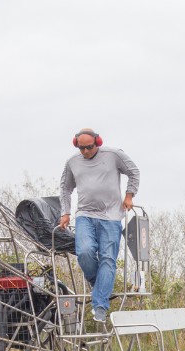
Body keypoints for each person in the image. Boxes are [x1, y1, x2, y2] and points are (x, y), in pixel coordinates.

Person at [58, 128, 141, 322]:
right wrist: (65, 212)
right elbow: (65, 188)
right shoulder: (72, 162)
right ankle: (100, 285)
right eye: (82, 148)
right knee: (85, 252)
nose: (85, 151)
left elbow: (134, 172)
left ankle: (100, 305)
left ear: (98, 142)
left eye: (89, 147)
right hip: (85, 215)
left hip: (111, 216)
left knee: (107, 259)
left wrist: (129, 195)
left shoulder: (113, 155)